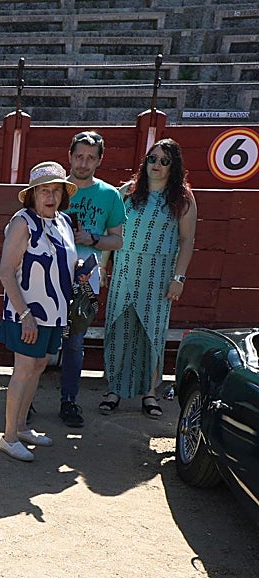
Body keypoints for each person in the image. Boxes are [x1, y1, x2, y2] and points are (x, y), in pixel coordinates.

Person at [0, 161, 88, 462]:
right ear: (32, 194)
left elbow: (66, 263)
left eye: (56, 190)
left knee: (38, 367)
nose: (50, 196)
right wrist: (25, 315)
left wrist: (81, 273)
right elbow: (6, 273)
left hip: (54, 312)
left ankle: (22, 427)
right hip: (28, 314)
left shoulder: (63, 222)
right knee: (23, 369)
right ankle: (8, 437)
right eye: (44, 190)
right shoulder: (23, 222)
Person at [100, 138, 197, 418]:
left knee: (152, 333)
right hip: (125, 270)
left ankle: (149, 393)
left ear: (173, 166)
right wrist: (103, 266)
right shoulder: (127, 192)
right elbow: (112, 231)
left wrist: (179, 277)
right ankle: (114, 389)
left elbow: (187, 240)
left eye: (164, 161)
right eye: (153, 159)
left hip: (158, 275)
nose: (157, 165)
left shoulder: (183, 197)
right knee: (119, 329)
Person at [60, 131, 125, 428]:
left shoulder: (109, 195)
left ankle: (69, 400)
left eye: (90, 158)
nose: (83, 163)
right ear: (70, 156)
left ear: (99, 161)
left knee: (74, 340)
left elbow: (117, 242)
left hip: (86, 272)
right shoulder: (55, 188)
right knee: (42, 339)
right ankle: (28, 401)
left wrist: (92, 238)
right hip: (52, 269)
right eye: (79, 156)